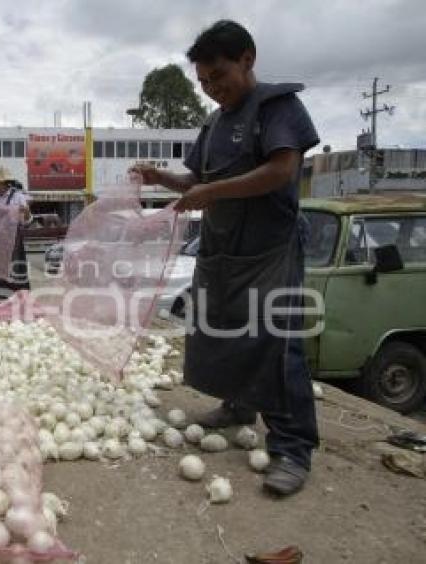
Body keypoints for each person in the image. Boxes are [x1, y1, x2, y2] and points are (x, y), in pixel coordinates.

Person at [130, 20, 320, 497]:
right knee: (224, 331)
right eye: (205, 83)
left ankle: (292, 448)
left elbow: (281, 170)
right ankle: (238, 408)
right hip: (222, 250)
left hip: (269, 250)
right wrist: (158, 176)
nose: (213, 89)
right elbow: (194, 179)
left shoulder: (277, 108)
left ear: (247, 60)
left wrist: (210, 190)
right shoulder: (214, 123)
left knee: (276, 343)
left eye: (219, 76)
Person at [0, 166, 31, 300]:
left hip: (12, 238)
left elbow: (27, 221)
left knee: (13, 265)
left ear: (2, 183)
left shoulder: (18, 197)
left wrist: (25, 212)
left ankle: (16, 294)